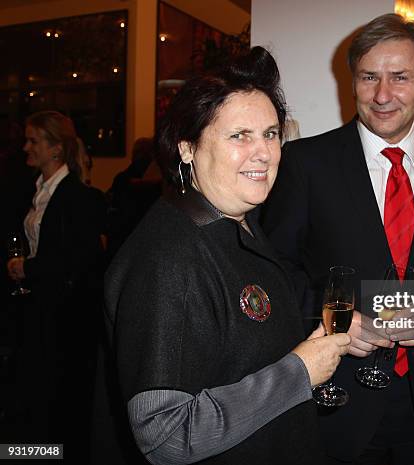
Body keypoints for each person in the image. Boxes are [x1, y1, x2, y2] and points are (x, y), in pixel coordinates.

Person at [261, 14, 414, 464]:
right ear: (351, 82)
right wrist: (332, 319)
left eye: (400, 77)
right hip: (336, 399)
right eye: (369, 76)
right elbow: (274, 270)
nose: (383, 95)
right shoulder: (305, 163)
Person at [104, 46, 350, 465]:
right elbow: (165, 435)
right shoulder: (170, 259)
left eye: (271, 133)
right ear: (187, 148)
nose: (264, 152)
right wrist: (298, 373)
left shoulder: (236, 220)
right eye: (240, 135)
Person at [5, 110, 104, 461]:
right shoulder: (38, 191)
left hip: (62, 318)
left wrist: (25, 268)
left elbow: (75, 260)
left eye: (33, 141)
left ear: (56, 149)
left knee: (55, 400)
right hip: (38, 310)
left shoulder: (76, 196)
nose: (25, 147)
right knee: (34, 395)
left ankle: (47, 454)